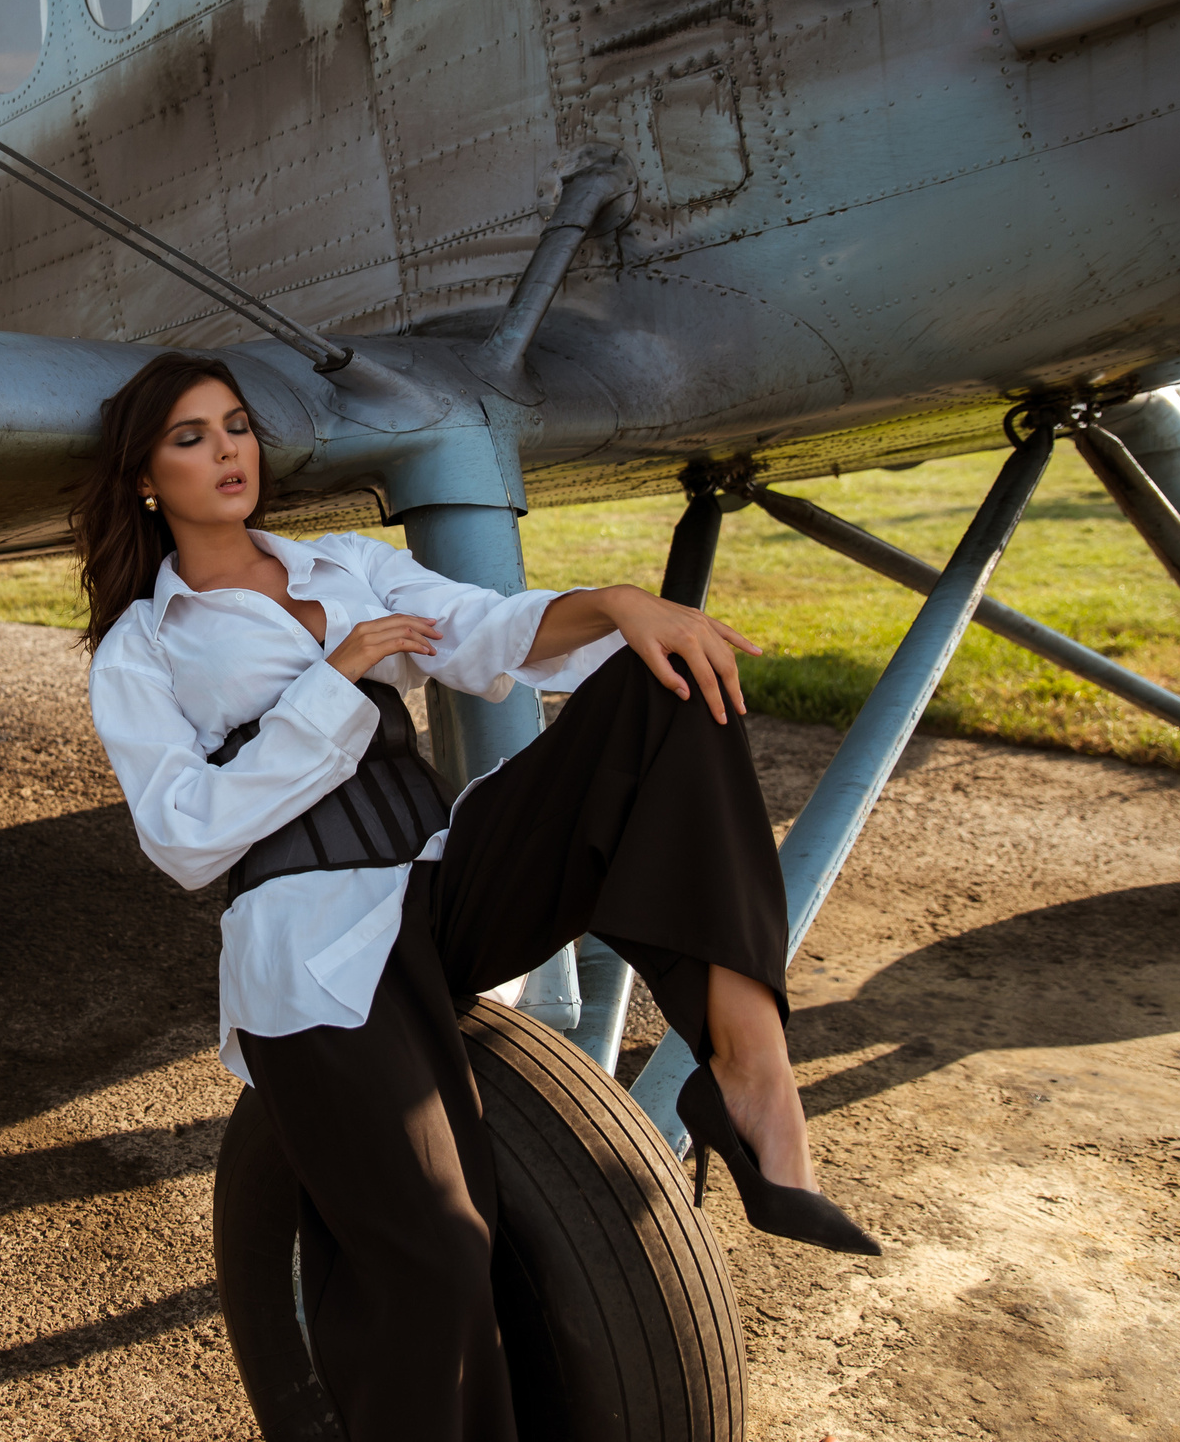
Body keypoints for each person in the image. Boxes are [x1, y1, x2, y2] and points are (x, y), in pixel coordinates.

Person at [78, 353, 878, 1441]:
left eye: (236, 426)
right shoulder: (143, 646)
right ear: (144, 478)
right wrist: (333, 682)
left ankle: (747, 1072)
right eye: (190, 438)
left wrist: (619, 603)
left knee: (666, 684)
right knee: (439, 1257)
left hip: (439, 877)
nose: (228, 451)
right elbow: (181, 837)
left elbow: (489, 631)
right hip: (313, 948)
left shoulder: (345, 563)